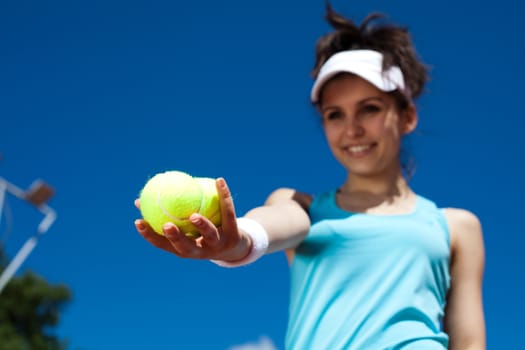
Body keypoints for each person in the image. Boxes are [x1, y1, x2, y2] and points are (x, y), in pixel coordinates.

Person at [134, 4, 486, 349]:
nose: (352, 129)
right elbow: (270, 225)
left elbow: (470, 343)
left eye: (370, 108)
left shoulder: (457, 226)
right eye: (335, 114)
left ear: (407, 116)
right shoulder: (301, 205)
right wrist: (236, 241)